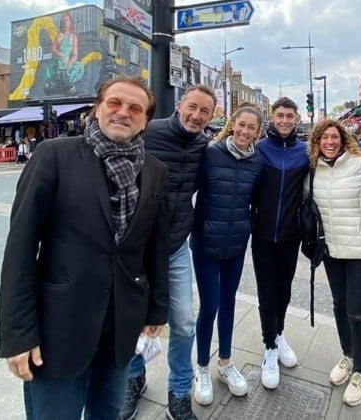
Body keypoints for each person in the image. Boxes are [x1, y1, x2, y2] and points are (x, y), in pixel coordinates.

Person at [0, 75, 170, 419]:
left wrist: (156, 311)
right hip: (59, 330)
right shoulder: (54, 156)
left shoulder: (155, 170)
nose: (123, 112)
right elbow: (20, 249)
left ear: (145, 121)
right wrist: (17, 335)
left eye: (135, 108)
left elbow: (155, 248)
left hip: (120, 330)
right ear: (97, 109)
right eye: (115, 103)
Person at [119, 84, 216, 420]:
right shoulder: (148, 132)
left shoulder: (203, 145)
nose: (196, 116)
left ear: (211, 116)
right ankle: (134, 377)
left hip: (175, 246)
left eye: (204, 111)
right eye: (192, 107)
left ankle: (179, 391)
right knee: (133, 317)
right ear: (179, 105)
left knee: (184, 322)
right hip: (139, 246)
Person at [190, 105, 264, 406]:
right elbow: (188, 189)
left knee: (229, 302)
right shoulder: (210, 153)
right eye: (241, 125)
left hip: (236, 244)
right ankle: (201, 367)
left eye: (251, 127)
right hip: (206, 244)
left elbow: (254, 200)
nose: (245, 131)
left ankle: (225, 362)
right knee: (209, 306)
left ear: (257, 132)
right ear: (233, 124)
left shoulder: (257, 162)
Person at [306, 120, 361, 406]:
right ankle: (348, 354)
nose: (330, 142)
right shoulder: (314, 170)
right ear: (317, 142)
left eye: (335, 137)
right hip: (331, 250)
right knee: (339, 305)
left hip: (359, 250)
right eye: (324, 138)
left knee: (357, 312)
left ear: (344, 139)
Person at [250, 97, 309, 389]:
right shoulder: (259, 148)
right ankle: (269, 347)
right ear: (272, 118)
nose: (285, 120)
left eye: (289, 116)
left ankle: (279, 333)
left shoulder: (305, 151)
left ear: (296, 119)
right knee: (267, 292)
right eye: (280, 115)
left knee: (284, 290)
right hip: (262, 234)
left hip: (290, 234)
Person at [45, 11, 84, 94]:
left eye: (67, 20)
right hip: (59, 60)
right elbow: (53, 49)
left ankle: (66, 84)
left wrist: (70, 62)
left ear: (70, 22)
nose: (65, 22)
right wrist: (61, 55)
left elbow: (75, 54)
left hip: (68, 61)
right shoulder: (59, 35)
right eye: (64, 20)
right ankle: (62, 85)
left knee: (79, 67)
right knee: (56, 67)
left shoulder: (74, 37)